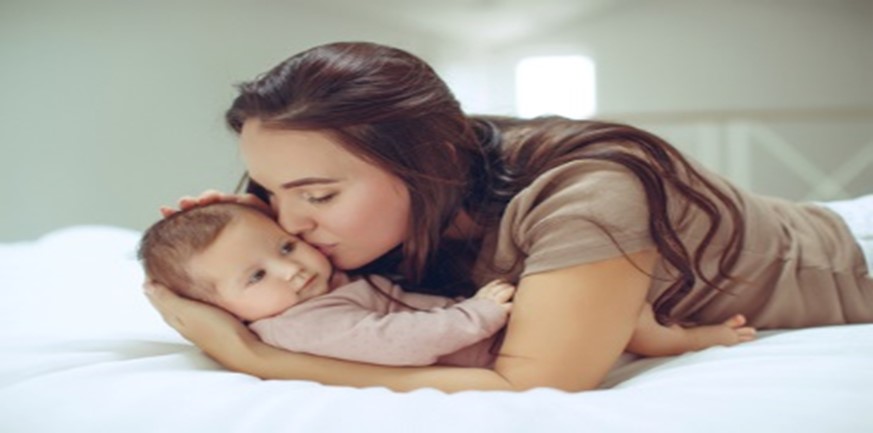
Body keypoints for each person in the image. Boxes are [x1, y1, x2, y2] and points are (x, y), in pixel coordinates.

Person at [145, 41, 873, 393]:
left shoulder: (587, 196)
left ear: (420, 163)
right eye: (272, 194)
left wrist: (259, 358)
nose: (291, 224)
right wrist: (235, 238)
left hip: (851, 261)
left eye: (318, 194)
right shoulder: (397, 206)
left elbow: (534, 383)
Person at [139, 202, 756, 367]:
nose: (292, 268)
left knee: (608, 303)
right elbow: (395, 343)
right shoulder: (299, 323)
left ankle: (666, 334)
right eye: (257, 275)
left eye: (284, 245)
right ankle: (689, 342)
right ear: (219, 308)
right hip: (480, 345)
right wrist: (477, 316)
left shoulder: (317, 288)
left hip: (482, 328)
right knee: (621, 324)